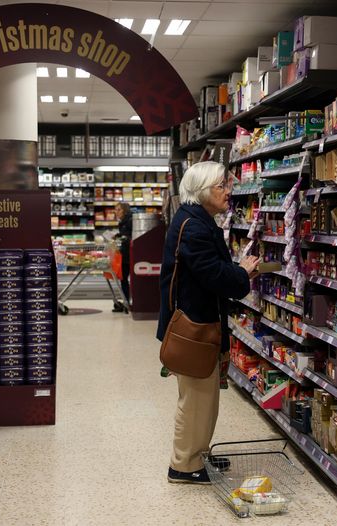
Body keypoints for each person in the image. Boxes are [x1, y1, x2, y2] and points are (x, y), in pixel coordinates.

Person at [157, 161, 261, 484]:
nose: (228, 191)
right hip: (192, 328)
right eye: (222, 186)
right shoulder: (195, 227)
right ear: (203, 191)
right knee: (196, 401)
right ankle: (183, 465)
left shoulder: (197, 221)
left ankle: (198, 452)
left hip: (199, 325)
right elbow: (214, 275)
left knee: (206, 400)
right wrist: (242, 272)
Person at [113, 202, 132, 313]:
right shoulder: (123, 222)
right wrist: (118, 236)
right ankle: (126, 302)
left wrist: (124, 238)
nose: (116, 212)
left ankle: (127, 303)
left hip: (130, 255)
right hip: (124, 254)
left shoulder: (129, 221)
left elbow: (133, 236)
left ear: (124, 210)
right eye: (116, 209)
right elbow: (126, 234)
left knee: (125, 279)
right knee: (123, 279)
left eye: (119, 209)